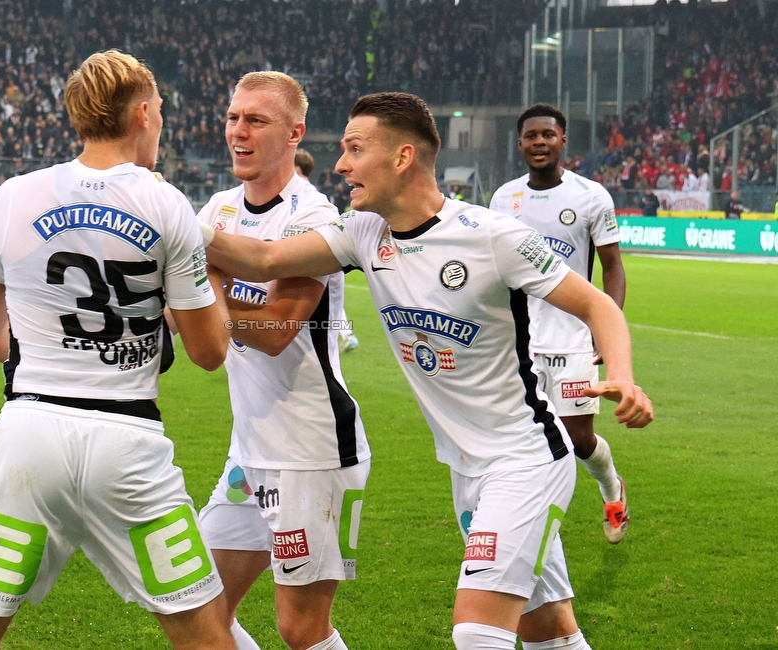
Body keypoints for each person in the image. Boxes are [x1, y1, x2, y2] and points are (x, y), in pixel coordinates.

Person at [202, 92, 653, 650]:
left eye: (354, 149)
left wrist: (626, 376)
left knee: (476, 633)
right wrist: (180, 226)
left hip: (527, 461)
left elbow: (597, 304)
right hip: (467, 472)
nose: (340, 164)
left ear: (402, 158)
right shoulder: (363, 234)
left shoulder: (491, 236)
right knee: (549, 633)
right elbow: (265, 260)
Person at [0, 50, 237, 650]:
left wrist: (58, 348)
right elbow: (209, 351)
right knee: (204, 636)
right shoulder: (165, 202)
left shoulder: (13, 196)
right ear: (144, 114)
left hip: (31, 437)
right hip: (128, 445)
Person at [197, 72, 370, 650]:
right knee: (197, 609)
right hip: (247, 451)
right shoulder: (218, 210)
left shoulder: (313, 220)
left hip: (311, 450)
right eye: (233, 117)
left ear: (295, 133)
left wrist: (210, 291)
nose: (238, 132)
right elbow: (188, 316)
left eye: (256, 120)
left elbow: (275, 330)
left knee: (301, 628)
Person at [489, 104, 630, 545]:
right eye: (531, 136)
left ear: (562, 141)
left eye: (548, 135)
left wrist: (608, 328)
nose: (539, 142)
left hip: (573, 339)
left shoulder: (591, 196)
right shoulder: (503, 199)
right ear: (520, 143)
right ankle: (530, 524)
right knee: (519, 435)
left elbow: (613, 268)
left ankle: (611, 486)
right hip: (518, 341)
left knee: (578, 439)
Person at [295, 148, 360, 353]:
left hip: (316, 255)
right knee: (332, 302)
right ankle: (347, 336)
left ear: (296, 168)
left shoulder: (301, 197)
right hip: (330, 254)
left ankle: (343, 338)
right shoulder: (317, 195)